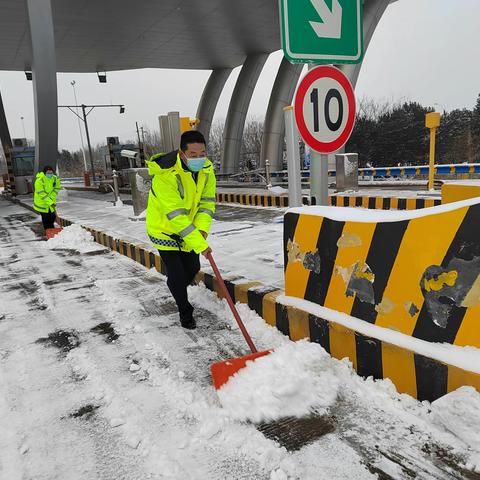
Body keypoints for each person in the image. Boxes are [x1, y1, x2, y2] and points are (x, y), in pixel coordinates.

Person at [146, 130, 216, 329]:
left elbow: (207, 203)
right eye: (193, 155)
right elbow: (175, 215)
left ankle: (176, 287)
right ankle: (185, 311)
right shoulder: (164, 174)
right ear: (182, 153)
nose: (199, 158)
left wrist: (201, 230)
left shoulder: (207, 170)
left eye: (202, 153)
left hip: (189, 229)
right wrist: (199, 243)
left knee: (193, 268)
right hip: (164, 229)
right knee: (176, 273)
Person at [33, 165, 61, 232]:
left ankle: (52, 230)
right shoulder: (39, 180)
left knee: (52, 217)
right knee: (46, 218)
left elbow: (57, 188)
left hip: (50, 202)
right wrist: (50, 202)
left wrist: (52, 197)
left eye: (51, 172)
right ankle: (48, 232)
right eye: (48, 173)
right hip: (41, 203)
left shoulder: (55, 178)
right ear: (45, 173)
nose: (50, 174)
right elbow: (42, 194)